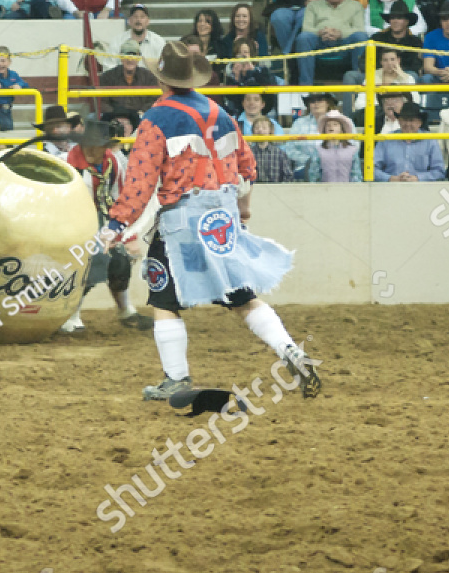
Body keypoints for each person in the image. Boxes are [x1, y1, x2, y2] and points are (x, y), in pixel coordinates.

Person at [102, 42, 317, 403]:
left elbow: (140, 180)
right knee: (241, 296)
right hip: (221, 217)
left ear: (162, 80)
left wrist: (116, 224)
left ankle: (176, 378)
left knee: (164, 299)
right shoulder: (220, 113)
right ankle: (289, 349)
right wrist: (243, 209)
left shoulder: (156, 119)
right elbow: (248, 166)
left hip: (181, 220)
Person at [62, 114, 152, 335]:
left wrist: (126, 235)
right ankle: (70, 316)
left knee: (119, 263)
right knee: (91, 264)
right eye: (93, 146)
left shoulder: (112, 162)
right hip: (69, 225)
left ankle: (125, 310)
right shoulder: (66, 164)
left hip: (102, 225)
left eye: (102, 146)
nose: (98, 151)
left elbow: (119, 197)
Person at [373, 101, 446, 181]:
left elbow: (439, 171)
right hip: (390, 188)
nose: (407, 124)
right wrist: (391, 178)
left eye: (411, 120)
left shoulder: (430, 141)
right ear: (399, 121)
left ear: (420, 122)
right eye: (404, 120)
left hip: (422, 189)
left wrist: (417, 178)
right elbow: (372, 169)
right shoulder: (386, 140)